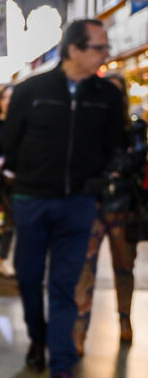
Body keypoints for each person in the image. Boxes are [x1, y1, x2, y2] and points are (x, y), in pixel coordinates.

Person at [0, 19, 127, 378]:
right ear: (74, 49)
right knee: (29, 275)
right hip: (33, 199)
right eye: (99, 47)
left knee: (66, 285)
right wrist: (30, 177)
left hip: (78, 204)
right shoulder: (31, 90)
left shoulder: (107, 95)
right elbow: (10, 143)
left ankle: (62, 369)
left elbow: (115, 143)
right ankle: (37, 339)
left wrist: (99, 177)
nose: (106, 54)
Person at [73, 73, 145, 353]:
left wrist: (111, 168)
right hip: (91, 204)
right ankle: (79, 330)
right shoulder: (84, 125)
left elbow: (134, 158)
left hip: (122, 206)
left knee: (124, 266)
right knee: (85, 268)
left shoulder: (134, 127)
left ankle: (124, 320)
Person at [0, 85, 15, 277]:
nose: (7, 101)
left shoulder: (20, 123)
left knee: (9, 222)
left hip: (13, 182)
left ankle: (2, 260)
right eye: (4, 97)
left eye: (11, 97)